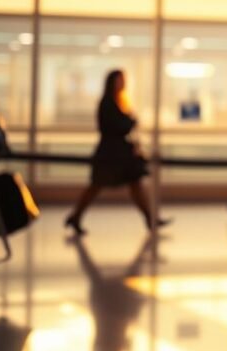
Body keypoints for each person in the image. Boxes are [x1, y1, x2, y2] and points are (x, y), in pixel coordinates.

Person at [64, 70, 169, 235]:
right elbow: (113, 126)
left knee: (134, 184)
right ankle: (76, 216)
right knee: (97, 186)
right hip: (111, 153)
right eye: (119, 80)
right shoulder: (108, 103)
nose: (122, 84)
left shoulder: (117, 101)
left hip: (118, 152)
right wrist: (130, 121)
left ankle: (150, 218)